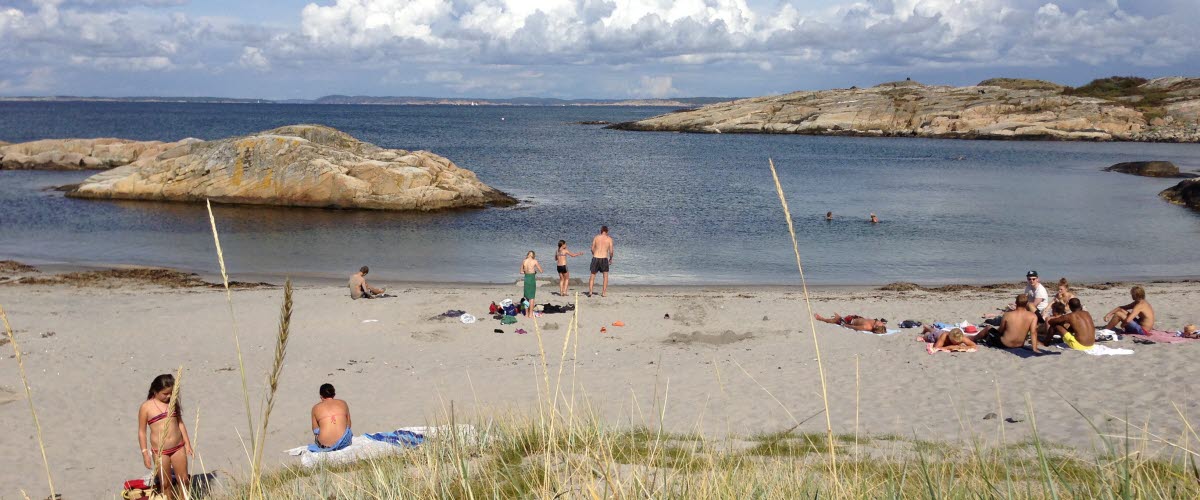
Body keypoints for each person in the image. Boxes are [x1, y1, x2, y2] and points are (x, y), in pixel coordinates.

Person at [138, 374, 193, 499]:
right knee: (165, 483)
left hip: (178, 447)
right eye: (165, 393)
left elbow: (180, 423)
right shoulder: (146, 407)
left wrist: (188, 444)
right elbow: (142, 431)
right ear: (155, 391)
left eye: (171, 393)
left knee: (184, 480)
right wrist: (145, 453)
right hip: (160, 451)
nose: (168, 396)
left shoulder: (172, 403)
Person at [972, 294, 1040, 352]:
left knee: (988, 328)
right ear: (1027, 304)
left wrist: (993, 332)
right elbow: (1033, 332)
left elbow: (1001, 330)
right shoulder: (1033, 316)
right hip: (1019, 345)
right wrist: (1034, 348)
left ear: (1016, 302)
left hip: (1005, 344)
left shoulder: (1007, 314)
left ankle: (973, 338)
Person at [310, 383, 352, 452]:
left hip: (325, 446)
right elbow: (349, 425)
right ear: (334, 395)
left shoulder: (315, 408)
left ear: (321, 396)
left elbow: (315, 431)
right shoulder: (343, 403)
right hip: (344, 442)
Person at [588, 226, 614, 297]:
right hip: (604, 258)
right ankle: (603, 293)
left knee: (592, 275)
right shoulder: (609, 239)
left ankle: (590, 292)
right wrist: (611, 258)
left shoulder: (596, 237)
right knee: (605, 276)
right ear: (607, 231)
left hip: (596, 257)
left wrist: (594, 254)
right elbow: (611, 251)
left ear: (601, 231)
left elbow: (592, 248)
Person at [520, 251, 544, 317]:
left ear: (528, 255)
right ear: (533, 255)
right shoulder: (534, 261)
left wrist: (526, 271)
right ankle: (530, 314)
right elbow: (541, 271)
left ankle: (526, 313)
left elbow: (521, 271)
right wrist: (535, 271)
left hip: (526, 278)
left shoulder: (524, 261)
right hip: (531, 278)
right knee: (532, 297)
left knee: (526, 297)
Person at [814, 313, 888, 334]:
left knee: (835, 320)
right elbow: (882, 325)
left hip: (850, 321)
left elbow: (854, 327)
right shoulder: (880, 325)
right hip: (857, 317)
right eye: (881, 324)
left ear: (876, 327)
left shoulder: (866, 327)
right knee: (838, 317)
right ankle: (839, 317)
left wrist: (845, 325)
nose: (880, 323)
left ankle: (821, 319)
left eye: (880, 324)